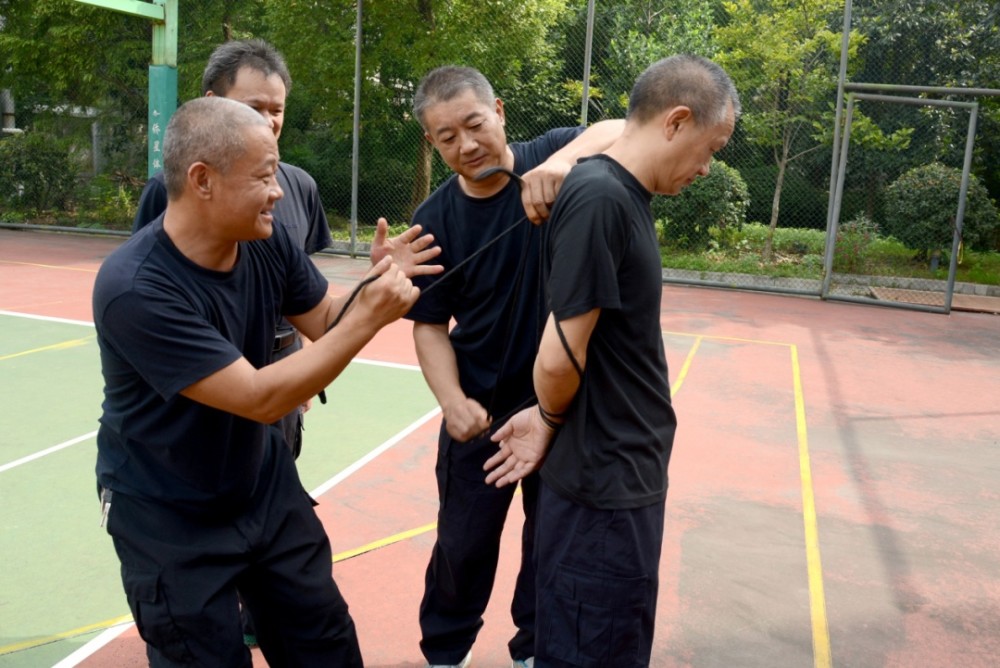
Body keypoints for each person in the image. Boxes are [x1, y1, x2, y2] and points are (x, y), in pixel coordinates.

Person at [93, 95, 421, 667]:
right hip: (169, 512)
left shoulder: (264, 242)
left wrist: (372, 287)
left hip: (260, 484)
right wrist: (370, 313)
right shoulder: (135, 287)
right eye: (265, 176)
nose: (278, 192)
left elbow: (324, 322)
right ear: (203, 180)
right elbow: (259, 398)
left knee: (325, 645)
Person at [486, 54, 740, 667]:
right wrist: (546, 420)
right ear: (676, 121)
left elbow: (607, 130)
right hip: (604, 484)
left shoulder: (615, 188)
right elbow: (559, 352)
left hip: (619, 476)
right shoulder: (602, 197)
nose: (708, 168)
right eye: (712, 148)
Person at [405, 65, 624, 668]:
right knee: (462, 546)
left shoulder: (555, 155)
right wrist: (451, 399)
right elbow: (429, 323)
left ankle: (533, 651)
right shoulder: (435, 218)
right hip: (483, 418)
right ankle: (444, 653)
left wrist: (561, 164)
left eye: (474, 124)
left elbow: (624, 127)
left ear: (499, 110)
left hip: (561, 410)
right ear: (432, 141)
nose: (466, 144)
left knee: (549, 543)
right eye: (446, 136)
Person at [132, 39, 328, 461]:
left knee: (275, 482)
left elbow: (308, 290)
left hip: (281, 365)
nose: (268, 121)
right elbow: (148, 301)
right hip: (207, 368)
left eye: (276, 110)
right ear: (213, 104)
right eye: (252, 108)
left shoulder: (299, 186)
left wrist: (305, 365)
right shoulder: (168, 193)